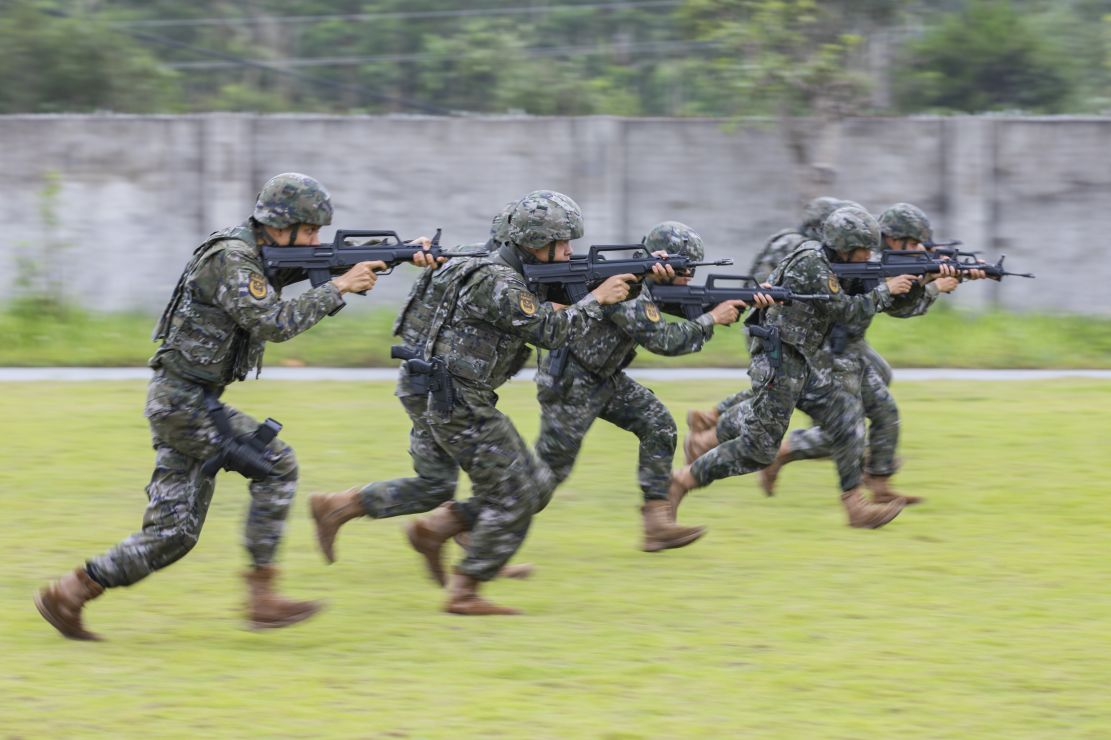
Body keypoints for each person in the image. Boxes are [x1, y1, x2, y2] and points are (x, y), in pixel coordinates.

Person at [34, 173, 437, 640]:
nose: (315, 240)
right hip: (183, 401)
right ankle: (262, 596)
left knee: (174, 535)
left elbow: (296, 271)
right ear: (278, 226)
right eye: (308, 231)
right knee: (277, 464)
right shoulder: (232, 258)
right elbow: (272, 322)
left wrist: (402, 253)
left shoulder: (256, 252)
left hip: (186, 400)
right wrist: (339, 287)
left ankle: (69, 593)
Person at [397, 189, 635, 615]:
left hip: (461, 398)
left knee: (534, 487)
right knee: (517, 494)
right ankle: (464, 590)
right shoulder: (498, 280)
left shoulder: (493, 270)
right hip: (459, 402)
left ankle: (439, 530)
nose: (568, 251)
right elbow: (551, 332)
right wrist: (598, 300)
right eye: (561, 243)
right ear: (533, 242)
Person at [308, 201, 532, 580]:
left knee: (436, 484)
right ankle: (477, 552)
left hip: (423, 381)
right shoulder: (490, 278)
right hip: (437, 387)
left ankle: (338, 506)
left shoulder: (463, 264)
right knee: (497, 470)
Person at [672, 206, 917, 529]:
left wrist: (915, 284)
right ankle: (680, 481)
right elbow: (846, 312)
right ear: (845, 245)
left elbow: (862, 295)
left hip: (803, 358)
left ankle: (855, 505)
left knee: (846, 415)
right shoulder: (812, 263)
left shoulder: (836, 263)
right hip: (778, 357)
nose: (869, 255)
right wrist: (887, 290)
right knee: (757, 449)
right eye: (864, 249)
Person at [532, 221, 767, 552]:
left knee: (658, 424)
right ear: (663, 262)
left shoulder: (646, 286)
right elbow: (665, 341)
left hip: (603, 377)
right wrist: (712, 319)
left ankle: (657, 523)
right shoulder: (628, 287)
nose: (689, 277)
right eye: (684, 269)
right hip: (573, 381)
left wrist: (754, 297)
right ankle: (472, 520)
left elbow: (686, 303)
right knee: (549, 473)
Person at [757, 203, 980, 503]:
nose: (916, 248)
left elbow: (899, 304)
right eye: (911, 242)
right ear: (892, 237)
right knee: (846, 425)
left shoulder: (872, 260)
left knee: (885, 413)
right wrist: (930, 287)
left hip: (847, 350)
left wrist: (935, 280)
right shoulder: (861, 261)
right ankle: (784, 452)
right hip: (831, 353)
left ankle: (880, 486)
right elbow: (866, 307)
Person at [688, 196, 860, 433]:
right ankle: (716, 425)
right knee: (787, 388)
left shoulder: (792, 241)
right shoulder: (801, 248)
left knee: (785, 386)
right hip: (771, 325)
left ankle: (712, 416)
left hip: (772, 322)